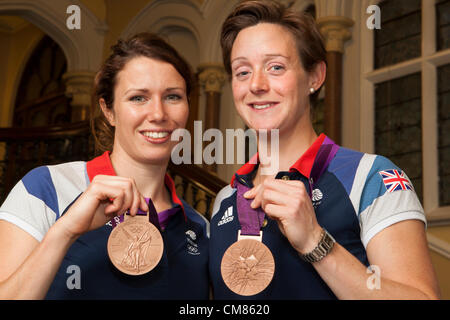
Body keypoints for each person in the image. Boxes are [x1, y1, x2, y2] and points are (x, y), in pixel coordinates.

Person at [209, 0, 440, 299]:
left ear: (315, 77)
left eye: (275, 67)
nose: (256, 84)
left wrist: (315, 242)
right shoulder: (224, 200)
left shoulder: (373, 177)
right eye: (242, 72)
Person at [0, 32, 209, 299]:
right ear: (108, 110)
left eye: (173, 97)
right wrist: (65, 231)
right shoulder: (44, 188)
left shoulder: (200, 227)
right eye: (138, 98)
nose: (158, 114)